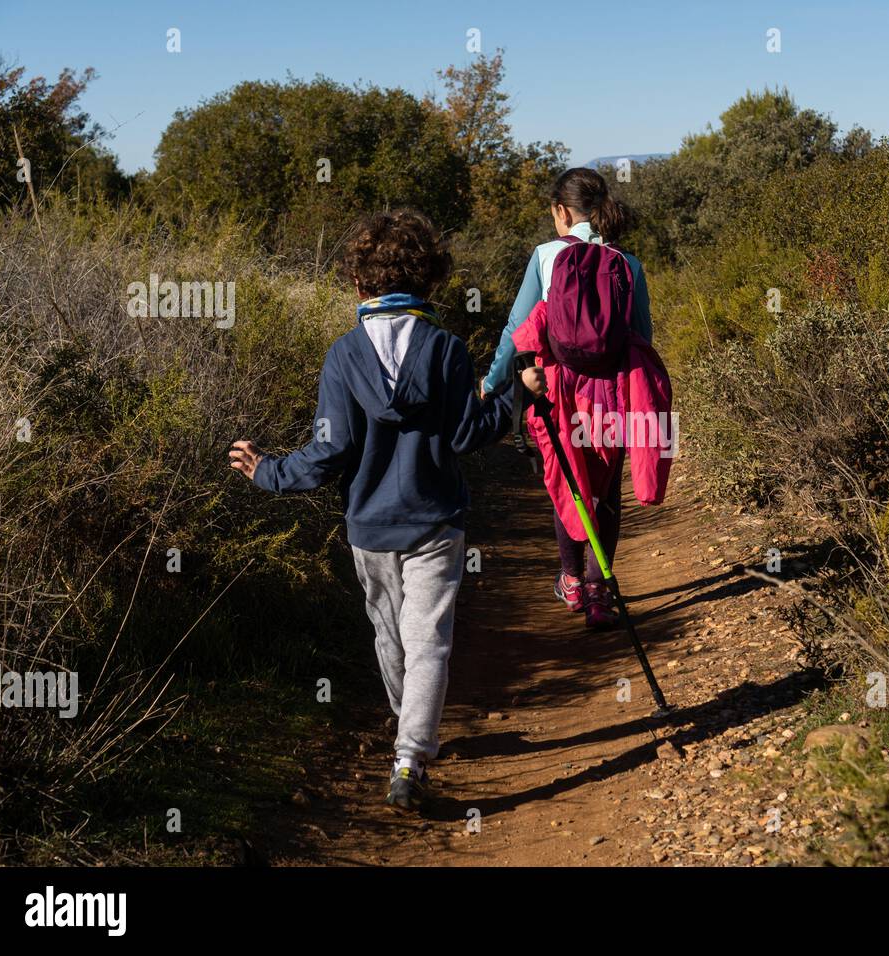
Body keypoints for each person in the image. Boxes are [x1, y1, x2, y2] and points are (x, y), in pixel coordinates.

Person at [228, 208, 544, 813]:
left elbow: (331, 450)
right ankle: (410, 755)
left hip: (369, 527)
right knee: (430, 640)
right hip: (435, 521)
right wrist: (513, 398)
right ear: (431, 280)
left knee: (390, 635)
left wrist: (268, 470)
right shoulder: (447, 350)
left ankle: (409, 732)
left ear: (357, 282)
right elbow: (465, 436)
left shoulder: (343, 356)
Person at [483, 168, 657, 628]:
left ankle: (571, 580)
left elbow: (515, 334)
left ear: (561, 212)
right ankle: (601, 591)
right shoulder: (628, 263)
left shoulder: (545, 256)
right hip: (613, 392)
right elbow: (643, 335)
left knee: (568, 484)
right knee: (606, 491)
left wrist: (492, 381)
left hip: (558, 392)